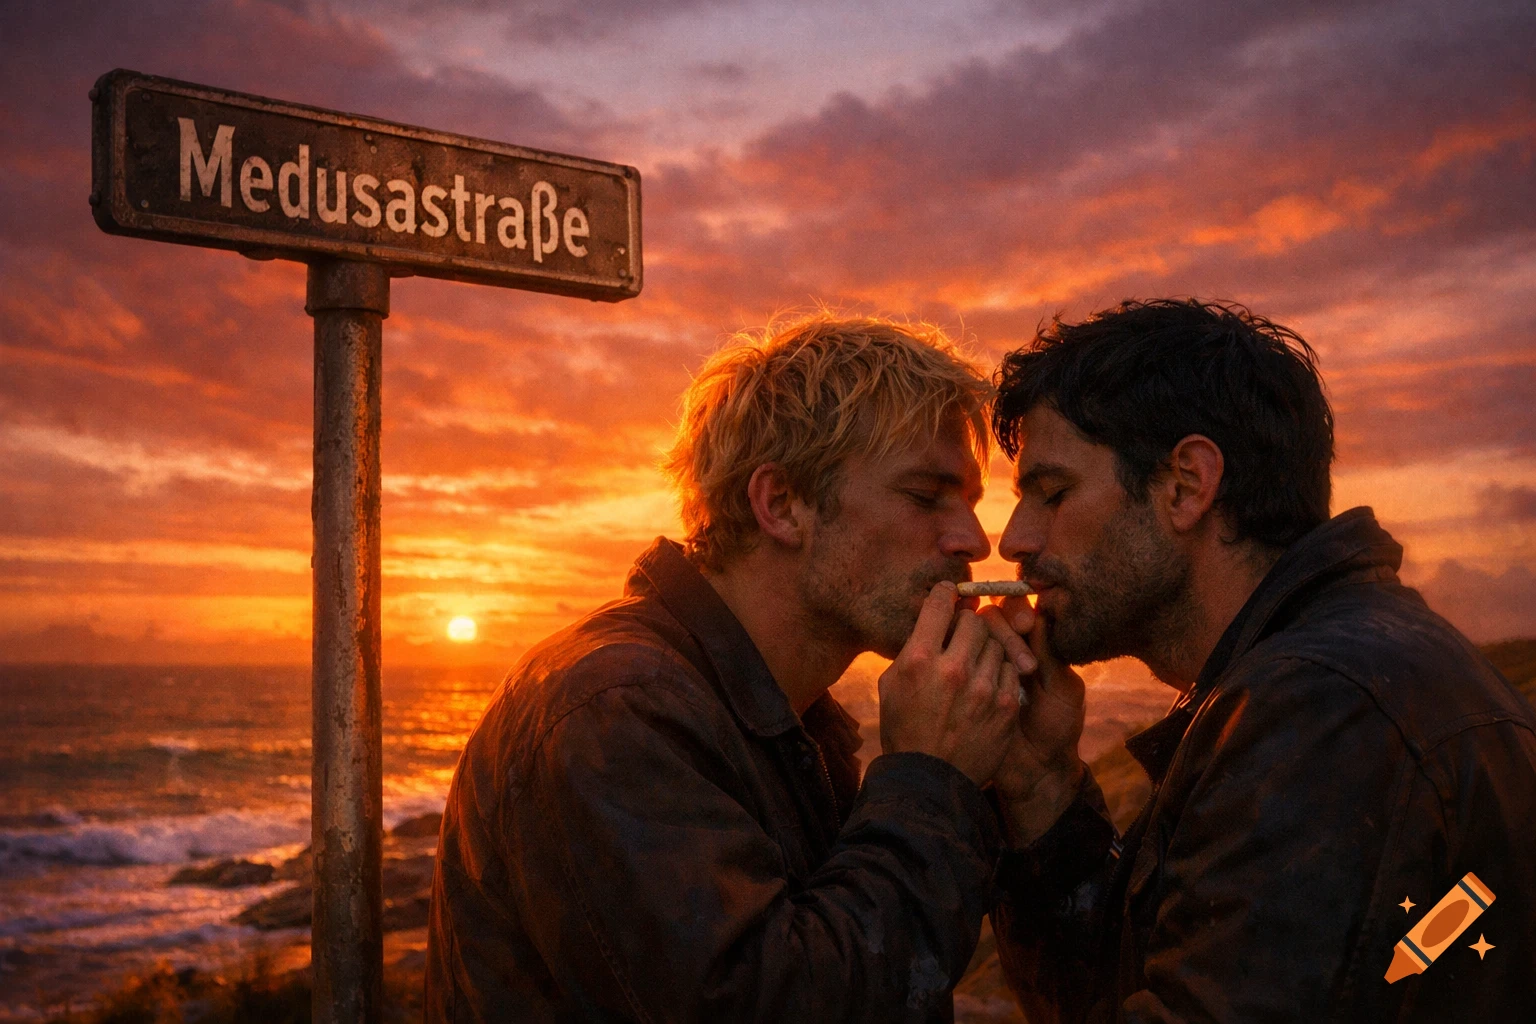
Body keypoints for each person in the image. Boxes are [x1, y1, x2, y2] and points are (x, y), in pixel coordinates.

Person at [425, 315, 1036, 1021]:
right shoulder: (618, 709)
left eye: (969, 501)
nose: (973, 539)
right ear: (780, 504)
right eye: (926, 496)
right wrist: (932, 778)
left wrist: (1026, 776)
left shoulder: (782, 711)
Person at [980, 299, 1536, 1022]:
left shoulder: (1320, 711)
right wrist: (1037, 782)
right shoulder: (1340, 673)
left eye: (1052, 492)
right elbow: (1132, 990)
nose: (1014, 539)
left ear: (1187, 483)